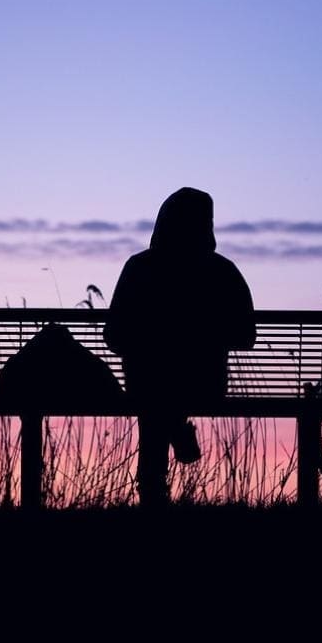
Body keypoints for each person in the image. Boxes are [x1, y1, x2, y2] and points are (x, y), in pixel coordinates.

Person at [104, 187, 255, 507]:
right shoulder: (221, 270)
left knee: (153, 399)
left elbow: (113, 335)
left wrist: (152, 339)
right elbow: (246, 334)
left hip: (146, 383)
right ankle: (175, 427)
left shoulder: (139, 267)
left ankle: (154, 490)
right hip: (205, 383)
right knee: (159, 396)